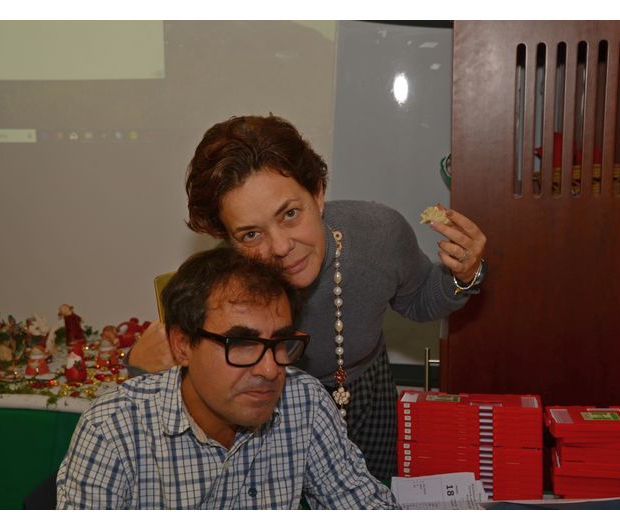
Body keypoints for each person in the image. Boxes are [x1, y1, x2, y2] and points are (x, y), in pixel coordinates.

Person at [128, 115, 487, 482]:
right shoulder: (222, 289)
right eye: (250, 234)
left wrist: (464, 275)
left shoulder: (379, 234)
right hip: (266, 403)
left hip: (366, 393)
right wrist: (142, 371)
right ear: (227, 239)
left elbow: (419, 298)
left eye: (290, 214)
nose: (280, 247)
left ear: (317, 193)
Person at [56, 247, 397, 509]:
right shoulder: (113, 430)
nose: (270, 370)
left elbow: (362, 505)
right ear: (182, 345)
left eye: (280, 342)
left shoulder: (303, 402)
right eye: (243, 344)